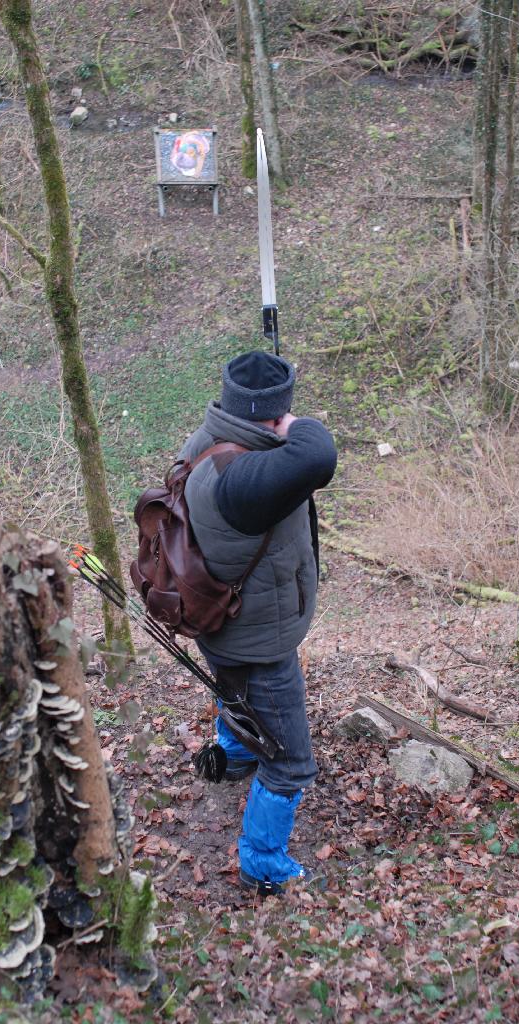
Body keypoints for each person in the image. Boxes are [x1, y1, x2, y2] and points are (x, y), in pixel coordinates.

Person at [178, 350, 337, 895]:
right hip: (257, 641)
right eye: (282, 413)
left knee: (235, 689)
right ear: (273, 414)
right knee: (290, 762)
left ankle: (236, 750)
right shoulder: (246, 479)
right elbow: (318, 453)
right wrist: (293, 424)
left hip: (220, 622)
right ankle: (263, 863)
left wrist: (272, 424)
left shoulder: (208, 439)